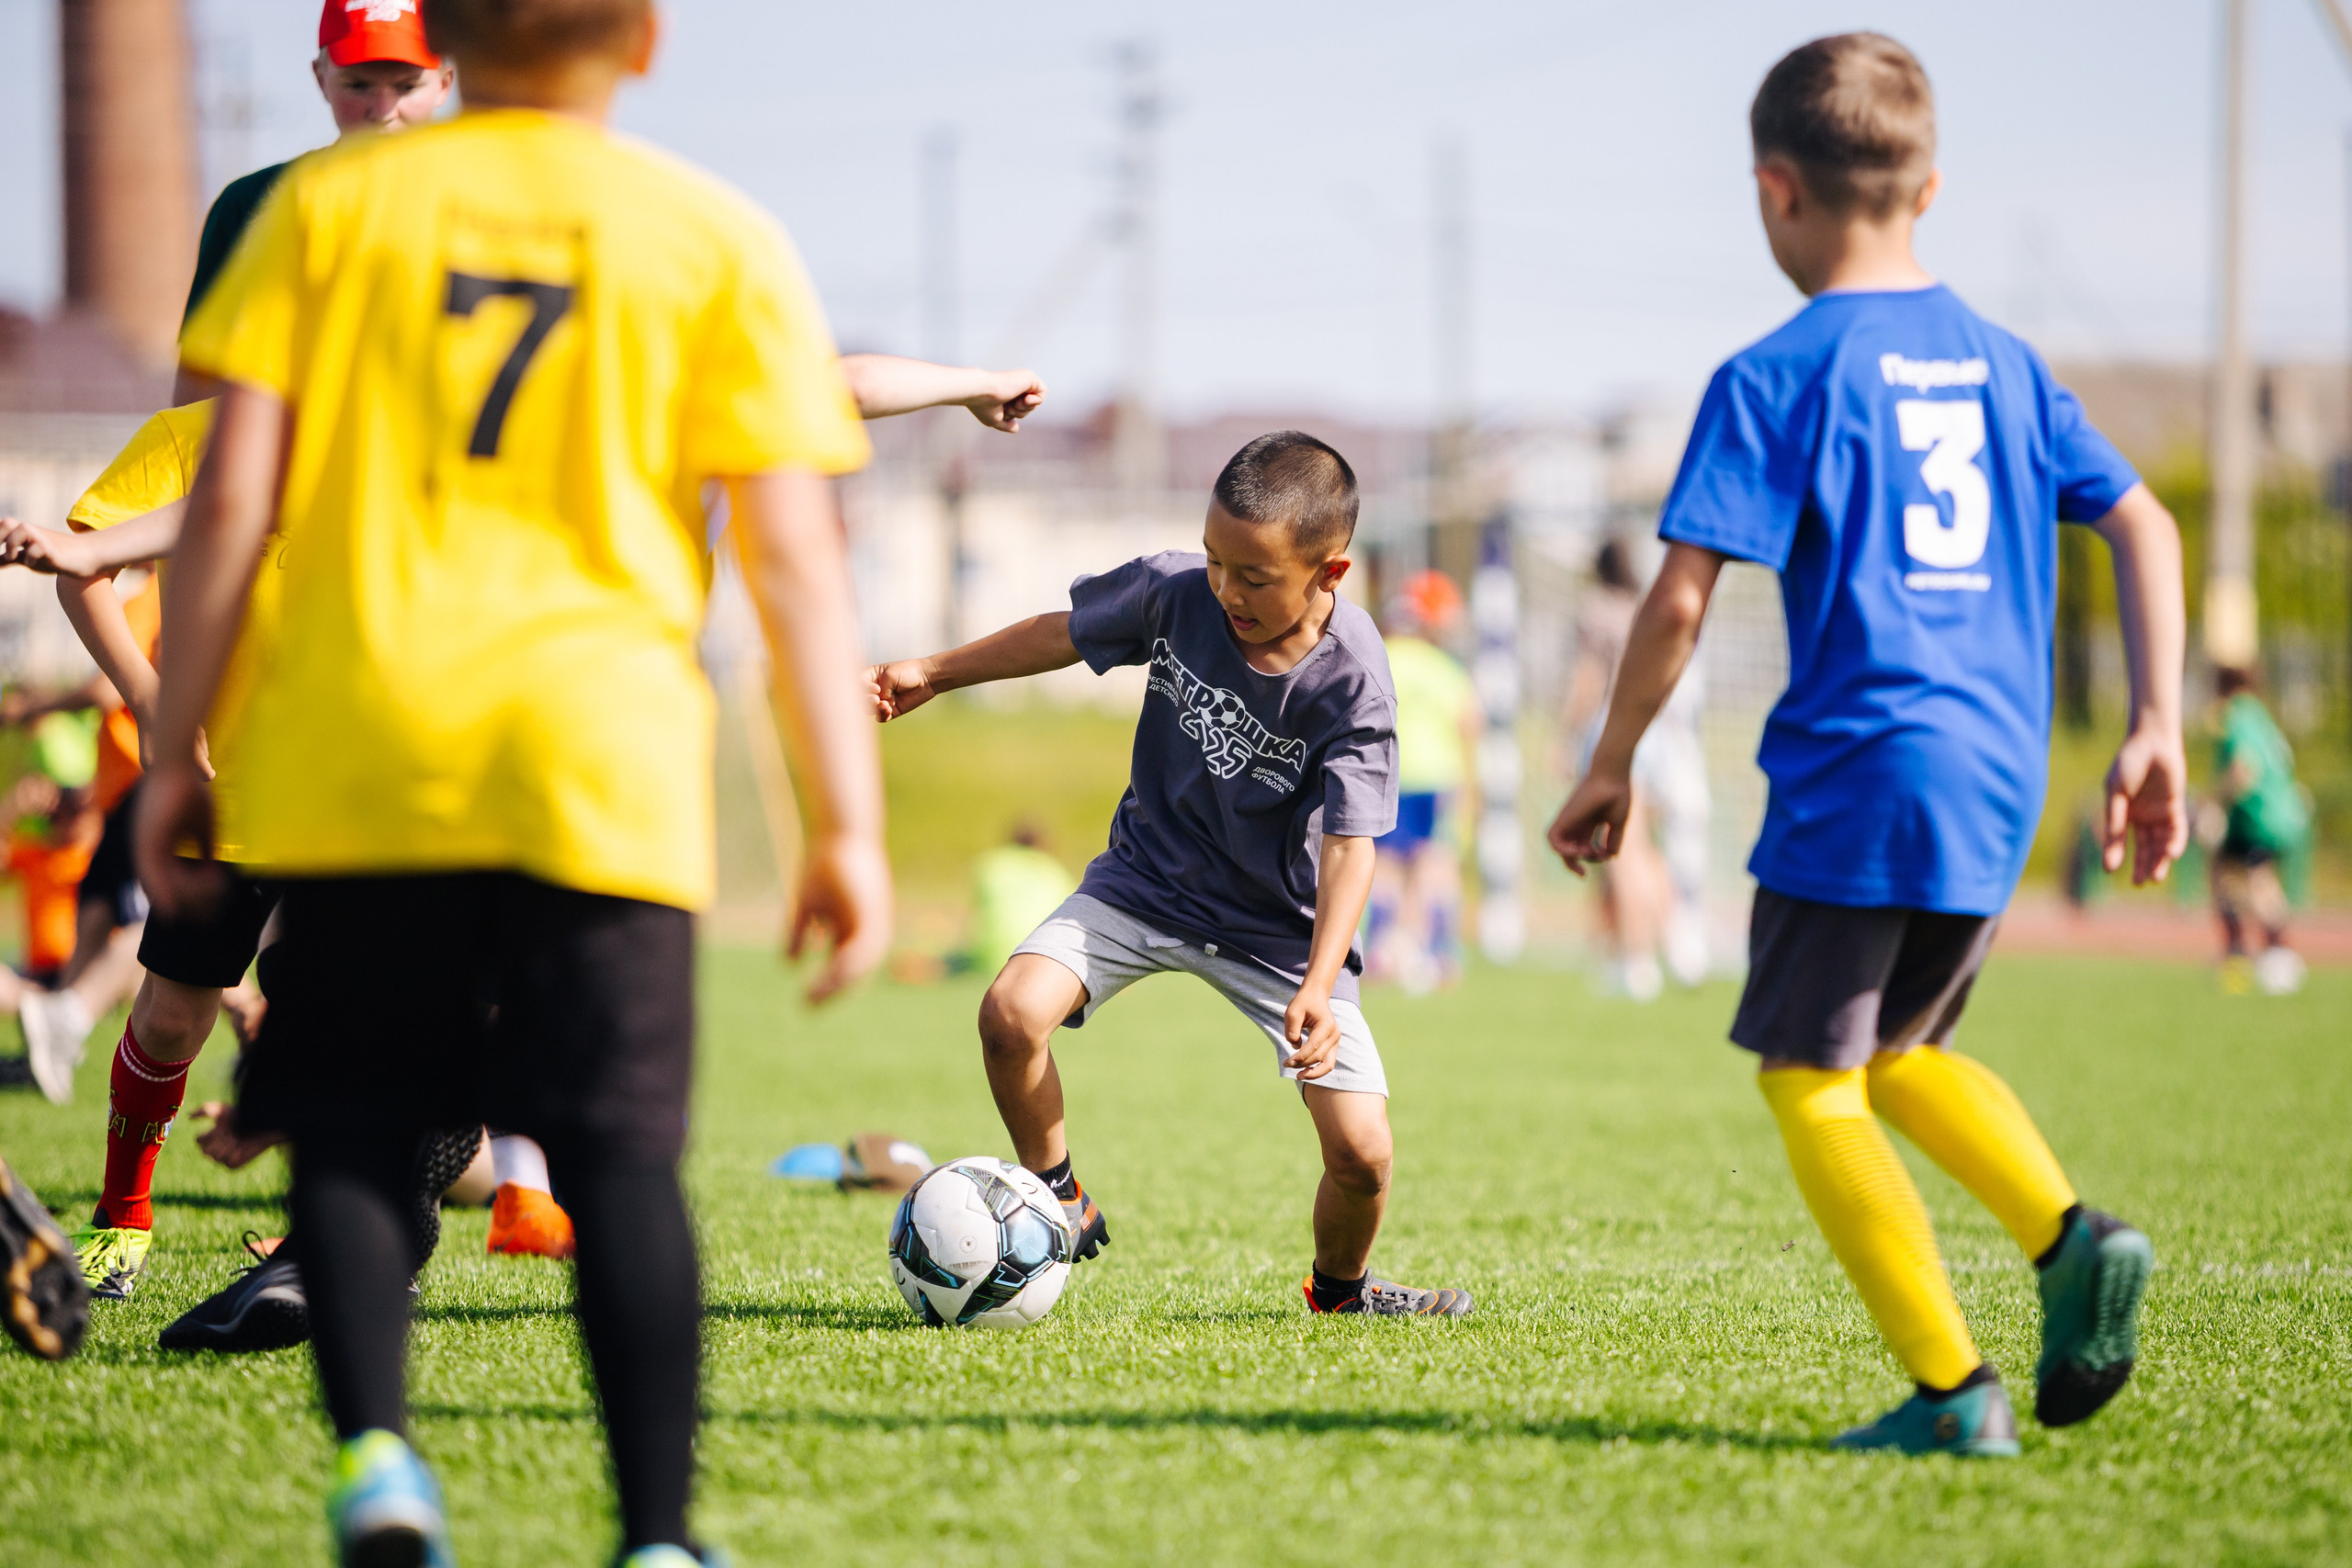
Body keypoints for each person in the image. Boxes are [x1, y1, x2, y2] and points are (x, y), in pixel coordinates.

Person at [148, 2, 888, 1562]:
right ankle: (661, 1535)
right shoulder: (713, 235)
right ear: (648, 43)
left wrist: (174, 746)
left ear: (448, 41)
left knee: (352, 1127)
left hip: (357, 748)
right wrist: (847, 825)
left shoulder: (317, 211)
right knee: (618, 1153)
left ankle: (380, 1463)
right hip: (597, 760)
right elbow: (799, 562)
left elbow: (227, 501)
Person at [1547, 33, 2185, 1456]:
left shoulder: (1779, 373)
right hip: (1999, 769)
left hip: (1860, 764)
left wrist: (1609, 759)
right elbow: (2147, 519)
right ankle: (2070, 1239)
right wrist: (2154, 723)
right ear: (1931, 186)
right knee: (1900, 1043)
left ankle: (1955, 1389)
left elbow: (1682, 594)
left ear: (1775, 190)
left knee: (1808, 1073)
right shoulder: (2010, 366)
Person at [869, 431, 1475, 1320]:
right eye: (1214, 560)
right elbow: (1063, 635)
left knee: (1363, 1153)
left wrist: (1317, 982)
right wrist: (933, 669)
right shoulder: (1177, 593)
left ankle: (1341, 1293)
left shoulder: (1357, 683)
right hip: (1145, 880)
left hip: (1278, 929)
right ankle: (1059, 1193)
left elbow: (1352, 845)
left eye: (1255, 577)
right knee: (1008, 1015)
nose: (1226, 589)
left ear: (1330, 573)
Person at [1366, 570, 1476, 993]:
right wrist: (1468, 788)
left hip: (1389, 777)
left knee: (1386, 868)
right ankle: (1440, 951)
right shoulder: (1446, 668)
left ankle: (1381, 948)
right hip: (1437, 778)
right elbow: (1470, 725)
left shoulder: (1382, 658)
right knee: (1436, 864)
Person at [2206, 666, 2311, 996]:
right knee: (2230, 876)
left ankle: (2272, 954)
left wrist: (2215, 804)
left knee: (2255, 881)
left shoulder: (2239, 716)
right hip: (2278, 814)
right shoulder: (2263, 718)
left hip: (2256, 816)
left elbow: (2242, 769)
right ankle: (2245, 954)